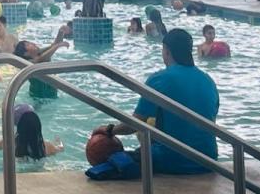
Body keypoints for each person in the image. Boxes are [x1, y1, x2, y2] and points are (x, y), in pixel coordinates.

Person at [93, 28, 220, 175]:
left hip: (172, 160)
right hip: (208, 160)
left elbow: (133, 125)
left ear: (166, 51)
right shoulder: (208, 80)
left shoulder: (159, 79)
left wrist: (109, 130)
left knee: (105, 158)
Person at [0, 110, 64, 159]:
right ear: (38, 128)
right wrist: (58, 141)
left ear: (20, 128)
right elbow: (61, 148)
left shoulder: (10, 143)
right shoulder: (46, 146)